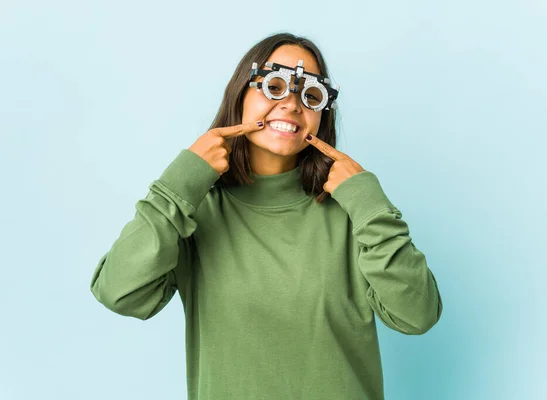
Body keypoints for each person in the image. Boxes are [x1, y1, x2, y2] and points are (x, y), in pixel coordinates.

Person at [90, 32, 443, 400]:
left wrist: (371, 206)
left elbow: (417, 315)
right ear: (240, 93)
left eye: (310, 94)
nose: (291, 104)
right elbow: (120, 292)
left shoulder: (354, 211)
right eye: (274, 85)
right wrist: (179, 184)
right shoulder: (195, 208)